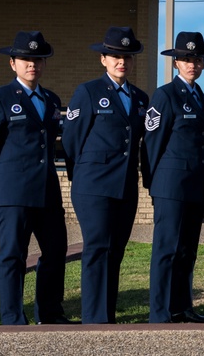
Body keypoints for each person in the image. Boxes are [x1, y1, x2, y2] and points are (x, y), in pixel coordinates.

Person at [0, 31, 72, 325]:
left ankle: (50, 313)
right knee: (13, 255)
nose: (33, 65)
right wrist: (2, 183)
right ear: (13, 63)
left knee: (56, 250)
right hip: (13, 192)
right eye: (26, 59)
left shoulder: (51, 99)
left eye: (38, 59)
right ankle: (13, 318)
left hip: (46, 191)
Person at [62, 26, 148, 324]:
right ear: (103, 59)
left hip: (125, 186)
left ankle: (107, 317)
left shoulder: (139, 97)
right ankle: (94, 318)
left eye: (127, 56)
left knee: (116, 251)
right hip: (93, 186)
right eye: (115, 55)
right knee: (97, 248)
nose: (121, 61)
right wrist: (82, 176)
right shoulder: (88, 92)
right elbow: (72, 139)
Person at [142, 31, 204, 324]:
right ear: (175, 63)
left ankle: (181, 306)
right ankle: (159, 311)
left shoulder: (199, 95)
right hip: (170, 186)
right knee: (166, 250)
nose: (192, 64)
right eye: (186, 59)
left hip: (194, 186)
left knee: (187, 251)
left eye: (197, 59)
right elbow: (152, 142)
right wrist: (153, 183)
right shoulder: (165, 94)